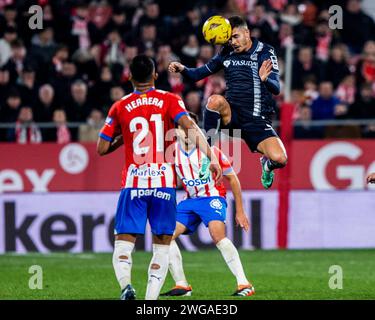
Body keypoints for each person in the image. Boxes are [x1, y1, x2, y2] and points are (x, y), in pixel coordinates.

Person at [96, 55, 222, 300]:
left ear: (129, 77)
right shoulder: (169, 99)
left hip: (134, 183)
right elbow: (190, 128)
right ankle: (150, 301)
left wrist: (125, 136)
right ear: (155, 75)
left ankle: (126, 287)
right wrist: (211, 157)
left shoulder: (120, 106)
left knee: (124, 242)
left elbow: (102, 148)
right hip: (164, 183)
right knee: (162, 243)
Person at [168, 15, 287, 189]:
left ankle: (267, 165)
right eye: (229, 38)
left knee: (280, 159)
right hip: (232, 115)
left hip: (257, 120)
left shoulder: (265, 51)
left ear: (247, 33)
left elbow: (276, 87)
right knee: (215, 100)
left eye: (236, 36)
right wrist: (182, 69)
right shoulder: (226, 52)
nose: (233, 42)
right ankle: (207, 157)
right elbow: (197, 75)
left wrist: (265, 79)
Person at [161, 112, 255, 298]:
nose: (187, 131)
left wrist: (240, 211)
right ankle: (182, 285)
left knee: (217, 235)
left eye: (192, 128)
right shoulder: (171, 154)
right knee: (165, 237)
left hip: (212, 197)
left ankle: (244, 283)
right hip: (190, 201)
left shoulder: (211, 152)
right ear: (176, 131)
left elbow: (233, 180)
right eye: (183, 128)